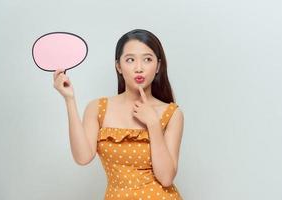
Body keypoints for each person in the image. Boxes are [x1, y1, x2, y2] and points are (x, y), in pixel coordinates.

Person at [53, 29, 184, 199]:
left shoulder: (172, 113)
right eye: (130, 60)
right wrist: (69, 100)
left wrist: (153, 124)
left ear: (158, 66)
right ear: (118, 66)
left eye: (147, 59)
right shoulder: (98, 108)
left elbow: (166, 178)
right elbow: (83, 157)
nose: (139, 68)